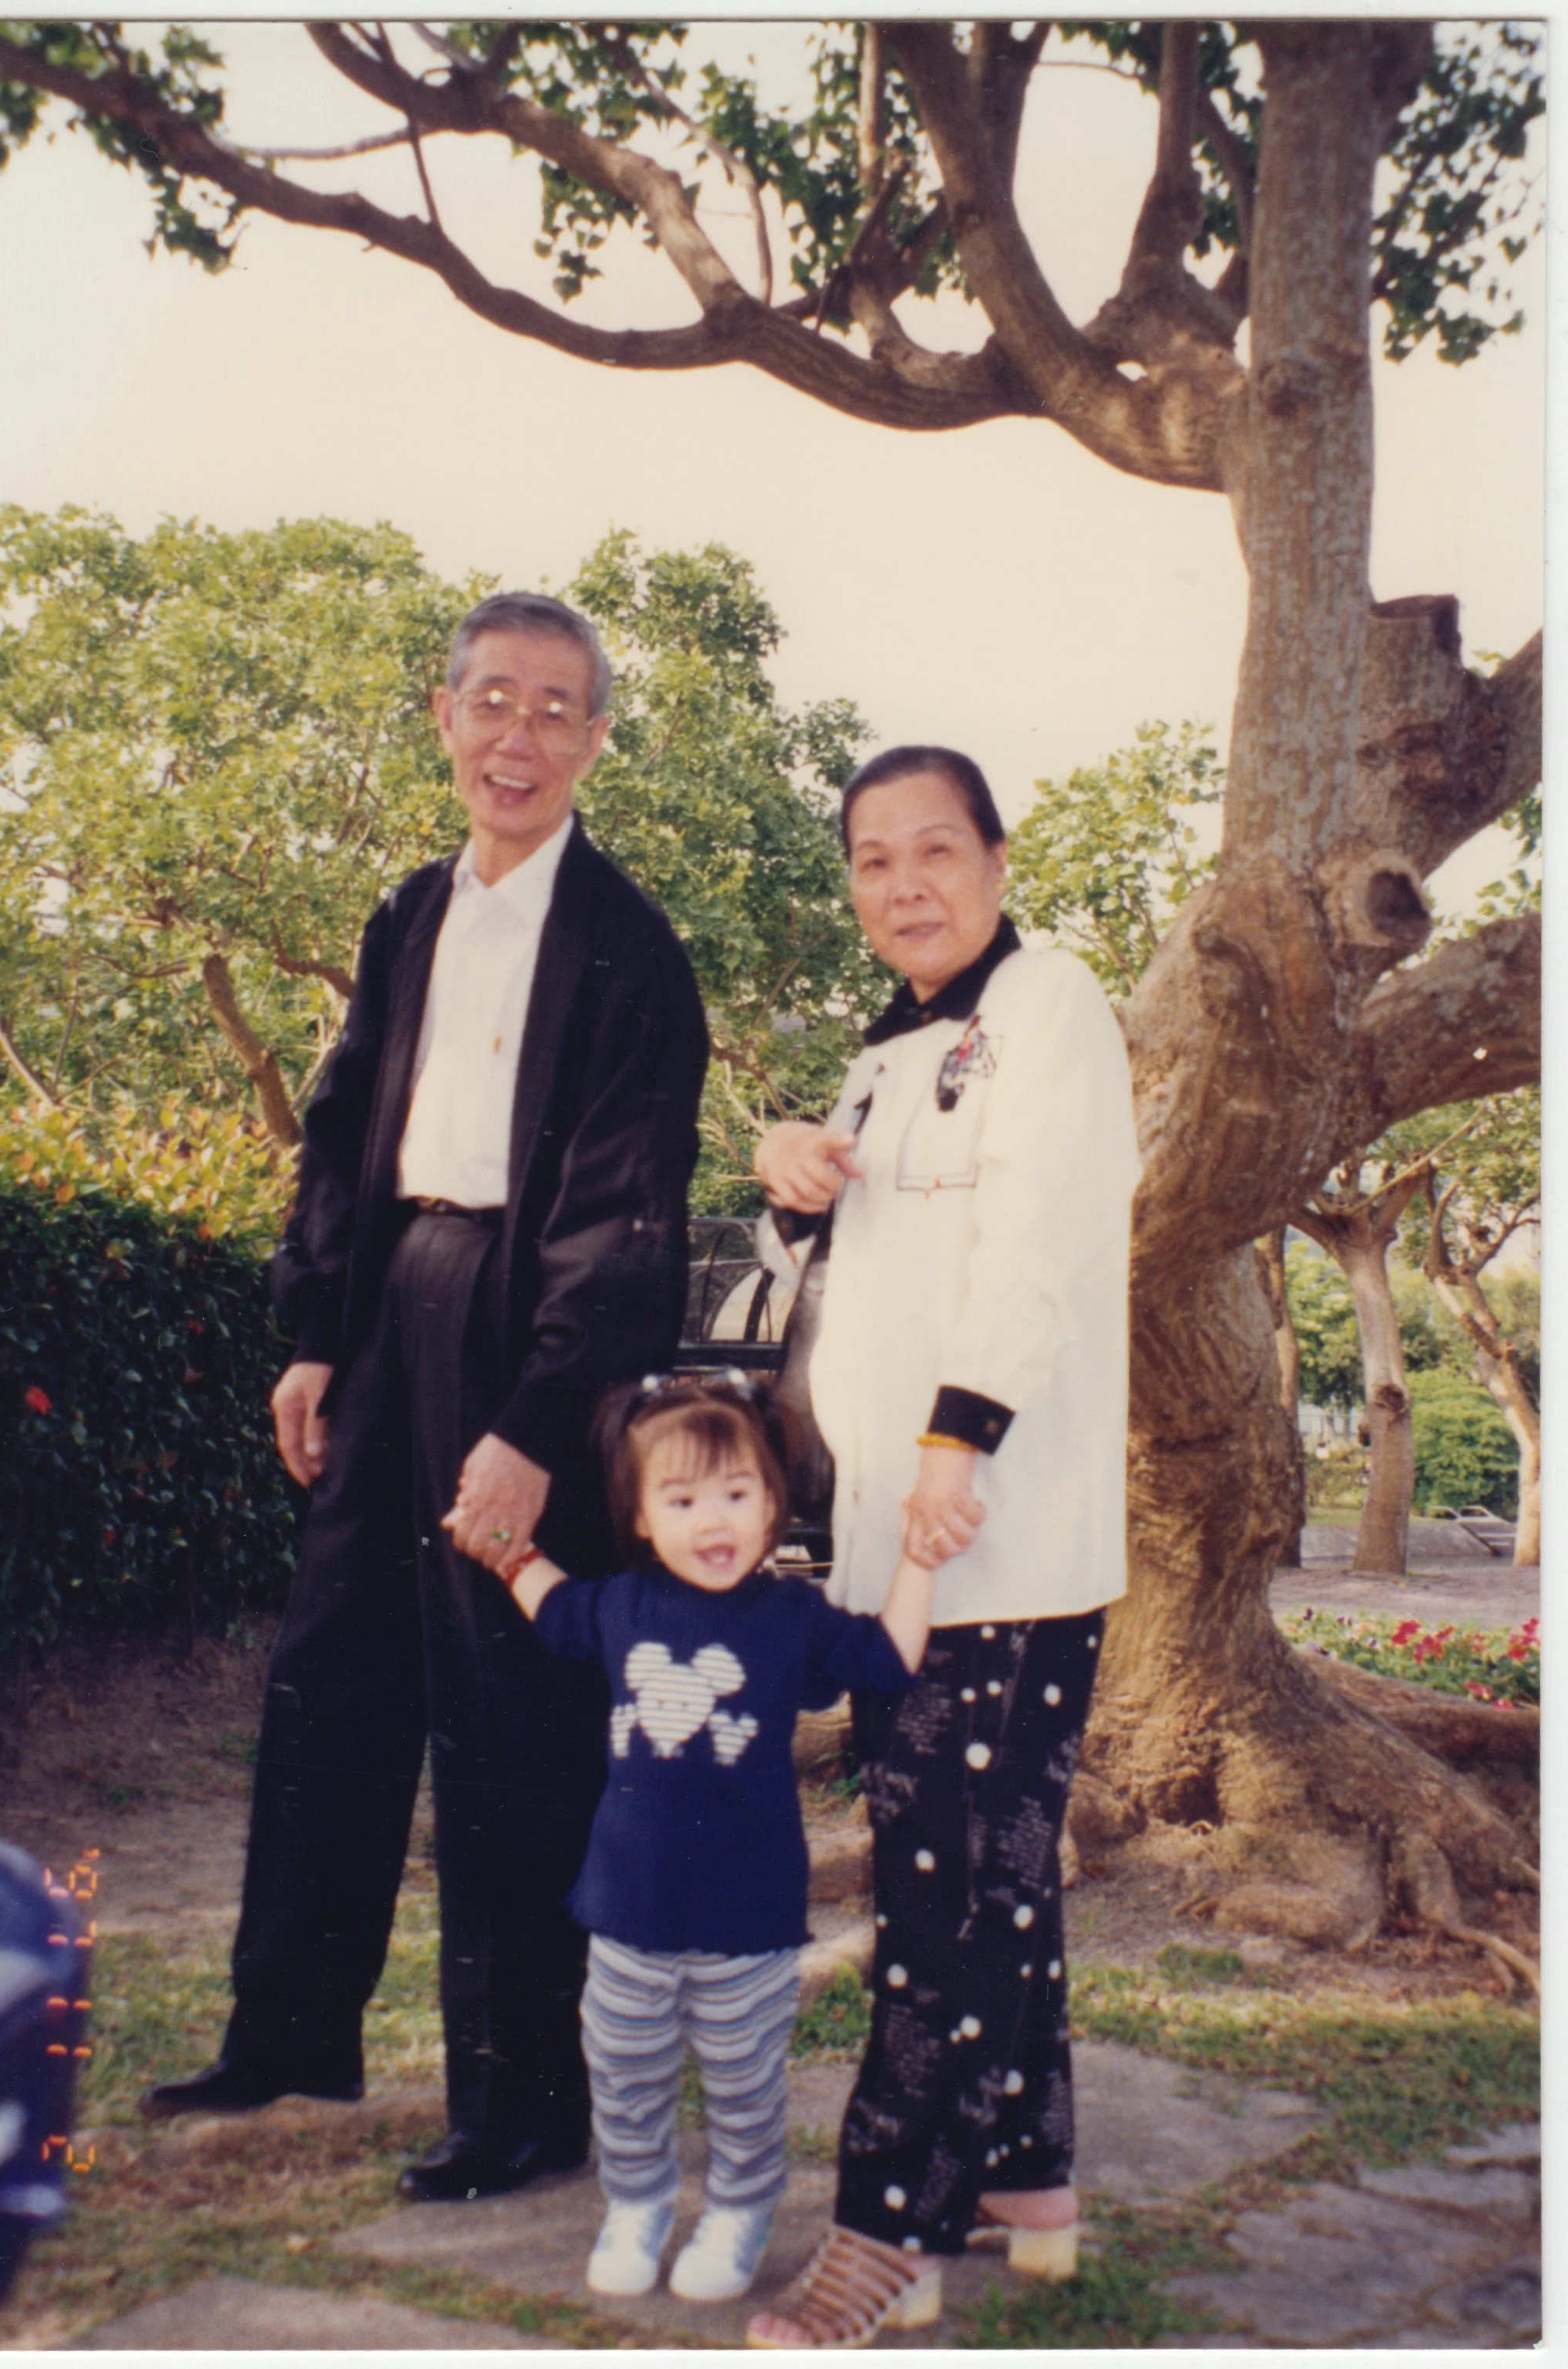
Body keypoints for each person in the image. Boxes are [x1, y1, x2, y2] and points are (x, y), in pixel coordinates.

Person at [141, 592, 710, 2209]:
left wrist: (535, 1425)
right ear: (446, 717)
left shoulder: (628, 949)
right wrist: (316, 1334)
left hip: (534, 1331)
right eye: (492, 702)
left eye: (555, 709)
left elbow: (627, 1215)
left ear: (596, 738)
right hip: (394, 1308)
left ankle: (527, 2102)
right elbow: (342, 1135)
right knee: (330, 1670)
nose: (518, 737)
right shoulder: (408, 915)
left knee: (513, 1711)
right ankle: (288, 2029)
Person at [744, 745, 1140, 2348]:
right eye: (871, 859)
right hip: (887, 1539)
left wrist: (952, 1439)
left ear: (993, 857)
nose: (903, 884)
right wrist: (786, 1178)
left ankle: (886, 2233)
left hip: (993, 1530)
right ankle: (1024, 2183)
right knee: (989, 1870)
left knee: (941, 1892)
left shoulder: (1049, 1006)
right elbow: (846, 1262)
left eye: (934, 850)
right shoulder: (882, 1050)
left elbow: (1036, 1242)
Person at [491, 1372, 932, 2305]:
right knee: (624, 2071)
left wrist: (919, 1562)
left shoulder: (791, 1617)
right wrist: (502, 1548)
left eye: (737, 1493)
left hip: (747, 1918)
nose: (713, 1520)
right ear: (641, 1518)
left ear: (773, 1504)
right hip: (627, 1911)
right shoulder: (621, 1606)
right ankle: (637, 2204)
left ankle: (739, 2210)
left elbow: (889, 1657)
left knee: (742, 2082)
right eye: (682, 1500)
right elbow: (552, 1602)